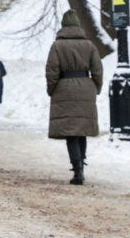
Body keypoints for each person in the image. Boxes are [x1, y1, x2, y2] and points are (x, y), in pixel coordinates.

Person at [45, 10, 102, 185]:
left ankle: (76, 169)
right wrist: (95, 88)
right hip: (86, 87)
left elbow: (52, 71)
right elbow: (98, 70)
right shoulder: (89, 45)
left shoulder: (57, 46)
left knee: (71, 132)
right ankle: (82, 167)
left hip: (64, 88)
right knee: (81, 130)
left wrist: (52, 88)